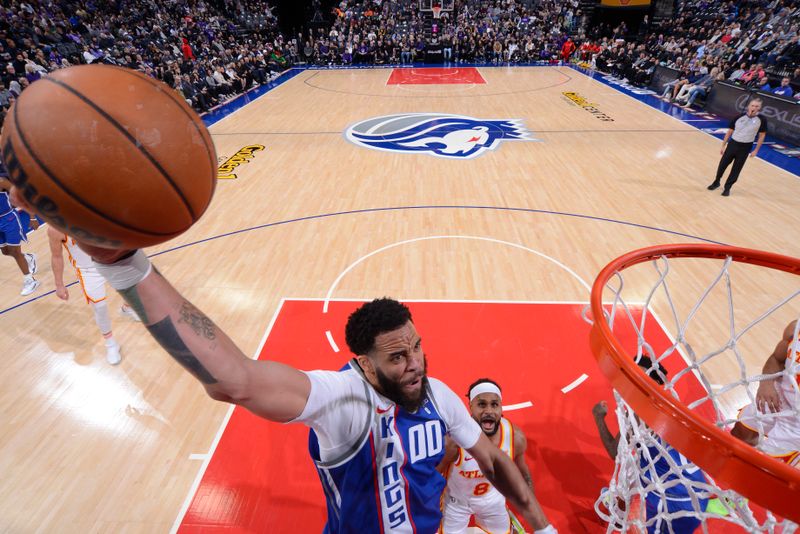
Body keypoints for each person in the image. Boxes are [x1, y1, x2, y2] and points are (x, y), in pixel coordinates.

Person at [4, 198, 557, 534]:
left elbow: (491, 459)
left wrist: (538, 520)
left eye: (416, 347)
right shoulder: (341, 399)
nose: (414, 365)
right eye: (397, 356)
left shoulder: (439, 395)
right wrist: (124, 267)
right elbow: (234, 380)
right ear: (364, 363)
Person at [592, 357, 710, 533]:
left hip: (667, 502)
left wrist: (598, 418)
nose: (631, 379)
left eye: (638, 374)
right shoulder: (671, 404)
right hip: (698, 496)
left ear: (654, 381)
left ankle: (622, 507)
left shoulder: (642, 413)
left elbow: (614, 452)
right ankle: (622, 502)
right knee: (637, 468)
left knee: (635, 471)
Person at [437, 378, 535, 534]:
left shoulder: (515, 437)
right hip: (457, 504)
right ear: (470, 406)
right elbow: (434, 475)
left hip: (492, 501)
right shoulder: (454, 441)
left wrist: (528, 505)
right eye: (481, 404)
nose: (488, 410)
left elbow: (523, 474)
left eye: (494, 404)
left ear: (501, 407)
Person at [47, 227, 141, 365]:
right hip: (88, 271)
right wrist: (59, 284)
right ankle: (110, 344)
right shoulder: (54, 229)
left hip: (110, 260)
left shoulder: (89, 212)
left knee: (128, 288)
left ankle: (127, 308)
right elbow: (56, 256)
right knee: (99, 307)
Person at [731, 320, 800, 467]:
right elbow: (777, 358)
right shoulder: (795, 327)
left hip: (797, 423)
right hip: (778, 396)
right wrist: (766, 384)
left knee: (766, 469)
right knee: (739, 434)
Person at [707, 98, 767, 196]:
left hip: (745, 147)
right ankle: (716, 181)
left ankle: (728, 187)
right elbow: (730, 131)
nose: (754, 108)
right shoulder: (739, 117)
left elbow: (762, 135)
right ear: (748, 106)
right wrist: (723, 145)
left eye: (756, 106)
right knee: (723, 165)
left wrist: (756, 150)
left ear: (759, 108)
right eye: (752, 105)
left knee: (736, 168)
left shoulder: (762, 120)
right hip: (733, 144)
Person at [0, 174, 39, 296]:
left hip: (8, 219)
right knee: (6, 251)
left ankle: (30, 280)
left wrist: (32, 217)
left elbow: (20, 196)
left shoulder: (1, 181)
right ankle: (29, 258)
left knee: (15, 251)